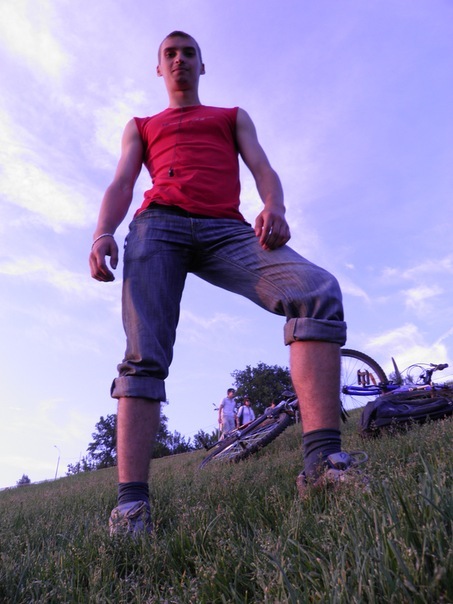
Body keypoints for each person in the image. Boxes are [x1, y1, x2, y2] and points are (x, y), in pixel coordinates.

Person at [89, 31, 366, 537]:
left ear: (202, 64)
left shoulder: (231, 117)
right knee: (144, 355)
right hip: (158, 227)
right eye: (169, 54)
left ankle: (323, 465)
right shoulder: (142, 126)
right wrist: (103, 231)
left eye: (188, 52)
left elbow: (262, 167)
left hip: (226, 230)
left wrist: (274, 206)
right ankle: (131, 508)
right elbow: (123, 182)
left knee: (317, 291)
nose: (179, 59)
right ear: (159, 68)